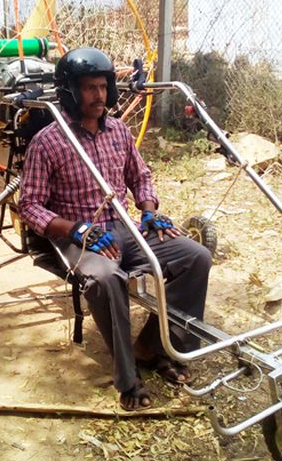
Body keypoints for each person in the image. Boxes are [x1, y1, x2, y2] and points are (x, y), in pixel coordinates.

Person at [18, 47, 211, 411]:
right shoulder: (48, 142)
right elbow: (29, 206)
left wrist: (150, 210)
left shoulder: (118, 131)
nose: (99, 95)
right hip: (81, 237)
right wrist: (75, 230)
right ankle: (128, 379)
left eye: (104, 86)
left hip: (125, 227)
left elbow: (141, 176)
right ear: (70, 92)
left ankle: (156, 348)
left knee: (195, 257)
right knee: (107, 280)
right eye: (90, 88)